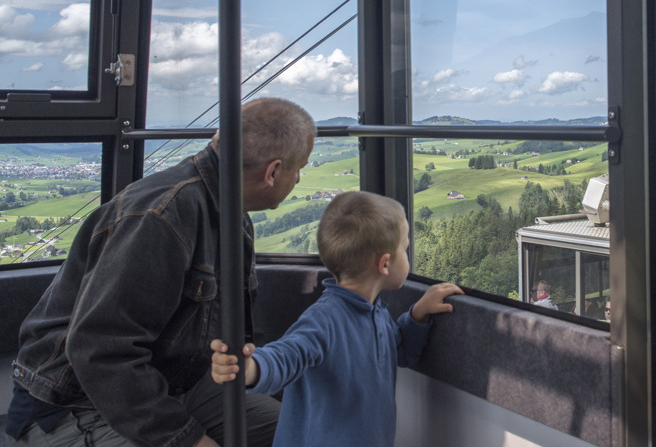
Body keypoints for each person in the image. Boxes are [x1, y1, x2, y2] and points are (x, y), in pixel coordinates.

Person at [6, 97, 316, 447]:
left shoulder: (230, 212)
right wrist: (186, 439)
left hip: (175, 379)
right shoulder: (161, 218)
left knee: (302, 434)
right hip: (76, 401)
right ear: (273, 172)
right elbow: (99, 351)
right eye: (298, 168)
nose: (298, 178)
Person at [210, 191, 463, 447]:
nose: (407, 256)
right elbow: (286, 355)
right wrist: (251, 368)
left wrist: (418, 314)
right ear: (385, 264)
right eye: (405, 249)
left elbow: (398, 351)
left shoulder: (375, 313)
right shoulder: (324, 320)